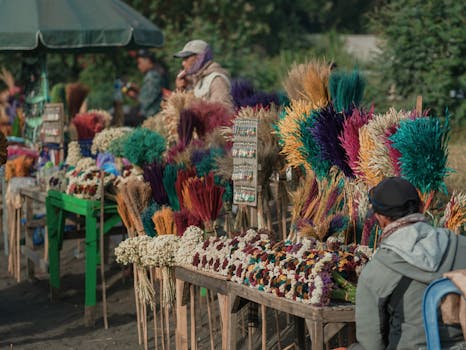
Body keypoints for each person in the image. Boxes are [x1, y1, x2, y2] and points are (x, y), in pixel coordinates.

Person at [348, 177, 466, 350]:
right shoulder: (461, 245)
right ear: (421, 207)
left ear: (380, 219)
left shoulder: (375, 272)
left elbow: (371, 344)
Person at [174, 39, 233, 109]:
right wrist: (181, 90)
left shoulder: (216, 80)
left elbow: (223, 112)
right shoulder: (196, 80)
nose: (183, 63)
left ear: (200, 57)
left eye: (186, 58)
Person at [124, 49, 164, 123]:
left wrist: (134, 96)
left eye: (139, 63)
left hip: (150, 116)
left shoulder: (152, 76)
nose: (139, 66)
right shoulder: (154, 73)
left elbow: (146, 101)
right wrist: (138, 90)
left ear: (148, 61)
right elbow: (150, 94)